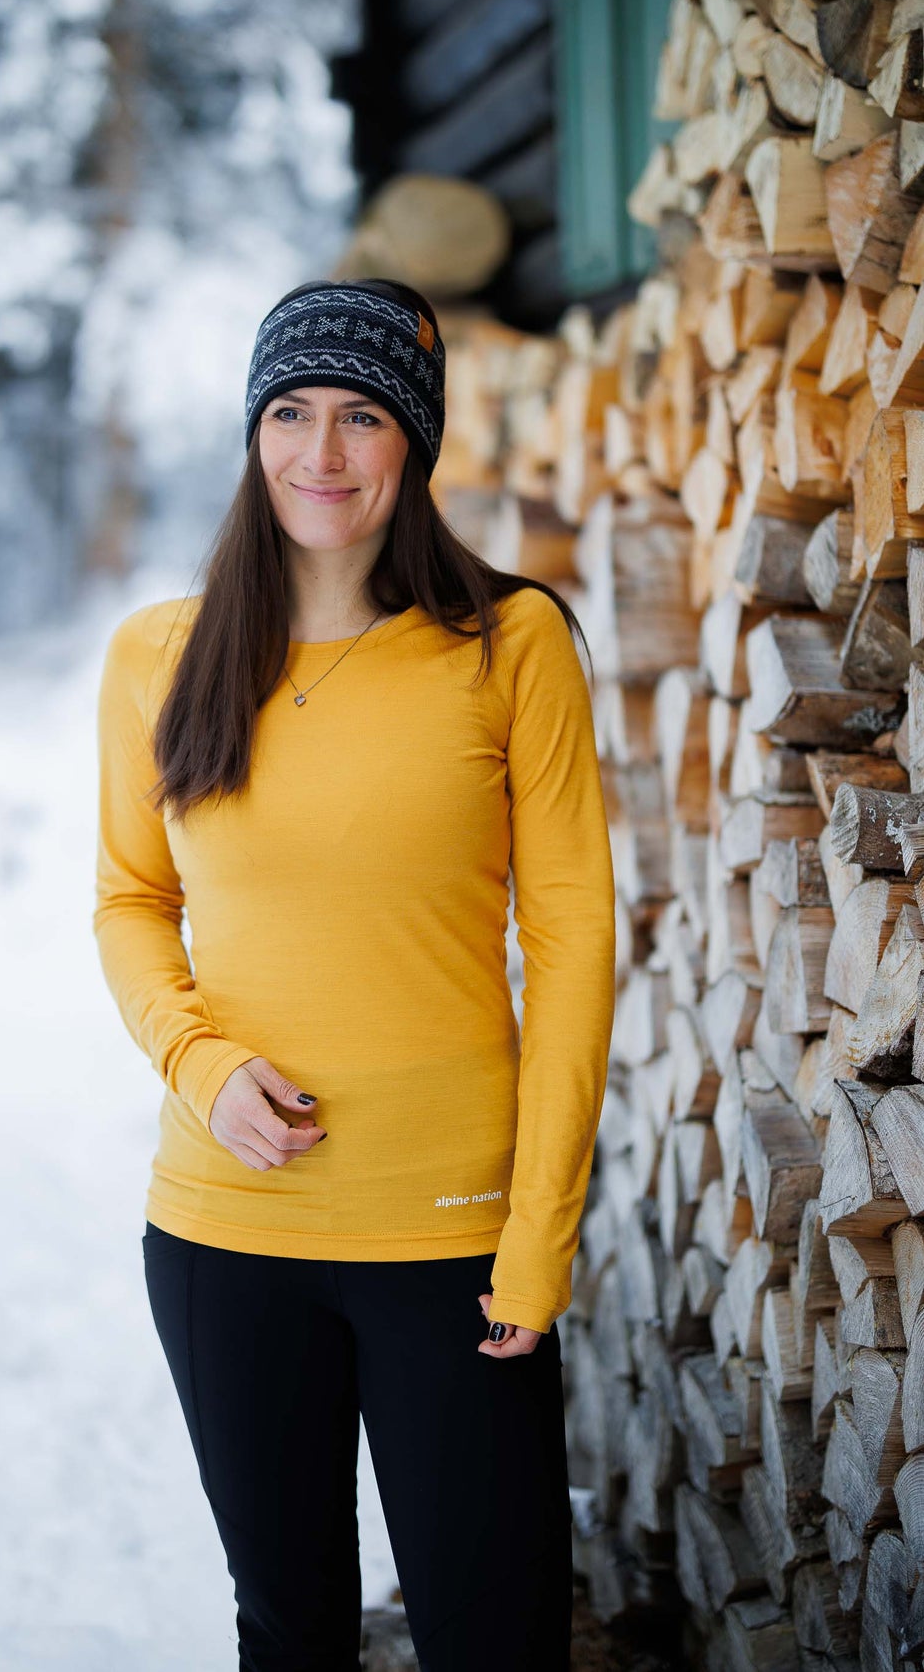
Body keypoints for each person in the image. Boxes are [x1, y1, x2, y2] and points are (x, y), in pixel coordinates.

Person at [92, 276, 616, 1671]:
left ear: (414, 443)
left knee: (494, 1635)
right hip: (222, 1235)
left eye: (361, 415)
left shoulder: (510, 646)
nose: (319, 452)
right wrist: (200, 1069)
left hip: (451, 1240)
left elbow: (572, 946)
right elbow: (130, 904)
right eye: (289, 411)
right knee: (289, 1628)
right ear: (252, 432)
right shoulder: (160, 654)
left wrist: (538, 1230)